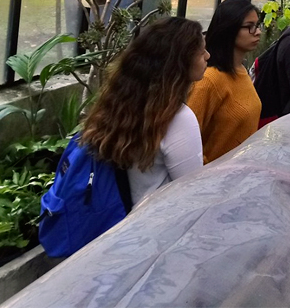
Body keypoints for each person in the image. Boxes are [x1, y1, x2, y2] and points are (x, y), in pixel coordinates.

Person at [79, 17, 208, 206]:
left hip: (119, 219)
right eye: (201, 51)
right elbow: (191, 192)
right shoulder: (178, 118)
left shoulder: (122, 103)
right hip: (158, 227)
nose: (207, 56)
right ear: (180, 61)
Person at [187, 0, 263, 163]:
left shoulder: (240, 70)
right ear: (229, 29)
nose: (257, 32)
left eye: (257, 25)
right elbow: (187, 140)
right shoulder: (209, 80)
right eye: (249, 27)